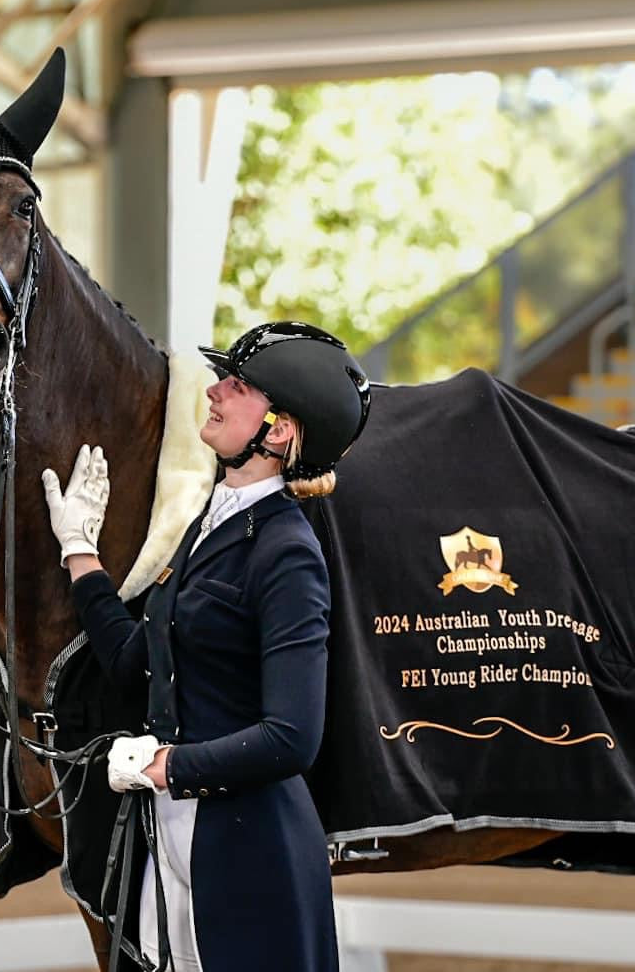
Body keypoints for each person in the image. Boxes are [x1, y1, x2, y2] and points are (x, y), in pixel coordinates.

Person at [41, 322, 370, 972]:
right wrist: (79, 547)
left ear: (278, 431)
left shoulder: (286, 553)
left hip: (251, 855)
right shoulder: (212, 523)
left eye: (239, 385)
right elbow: (138, 662)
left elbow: (293, 735)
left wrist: (164, 765)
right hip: (175, 841)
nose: (215, 391)